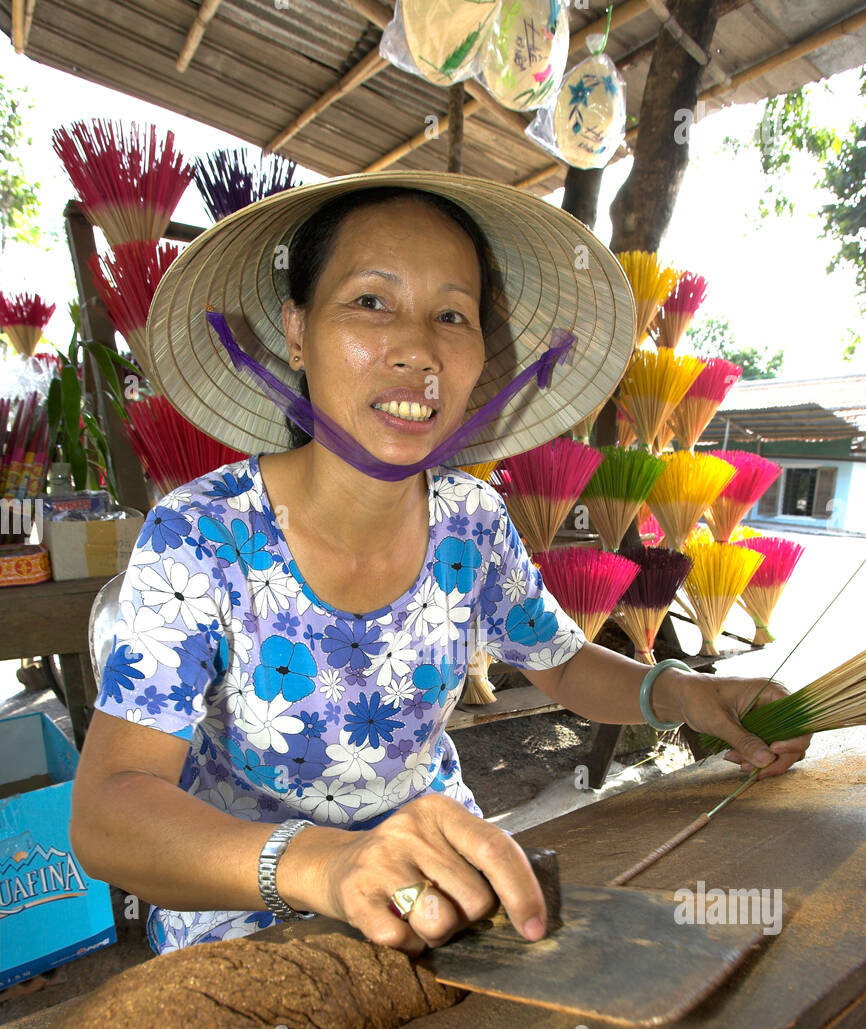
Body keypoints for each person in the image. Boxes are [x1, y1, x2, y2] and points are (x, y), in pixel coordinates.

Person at [70, 173, 809, 959]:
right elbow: (110, 815)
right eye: (370, 302)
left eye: (451, 315)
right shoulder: (201, 538)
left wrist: (689, 695)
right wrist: (325, 864)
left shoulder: (472, 523)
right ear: (295, 331)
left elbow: (561, 666)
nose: (417, 349)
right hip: (254, 920)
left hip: (445, 895)